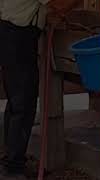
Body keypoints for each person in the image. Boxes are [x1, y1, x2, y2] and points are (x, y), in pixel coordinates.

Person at [0, 0, 80, 179]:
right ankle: (13, 169)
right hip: (17, 36)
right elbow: (59, 4)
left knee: (17, 102)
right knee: (22, 103)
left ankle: (11, 161)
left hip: (13, 34)